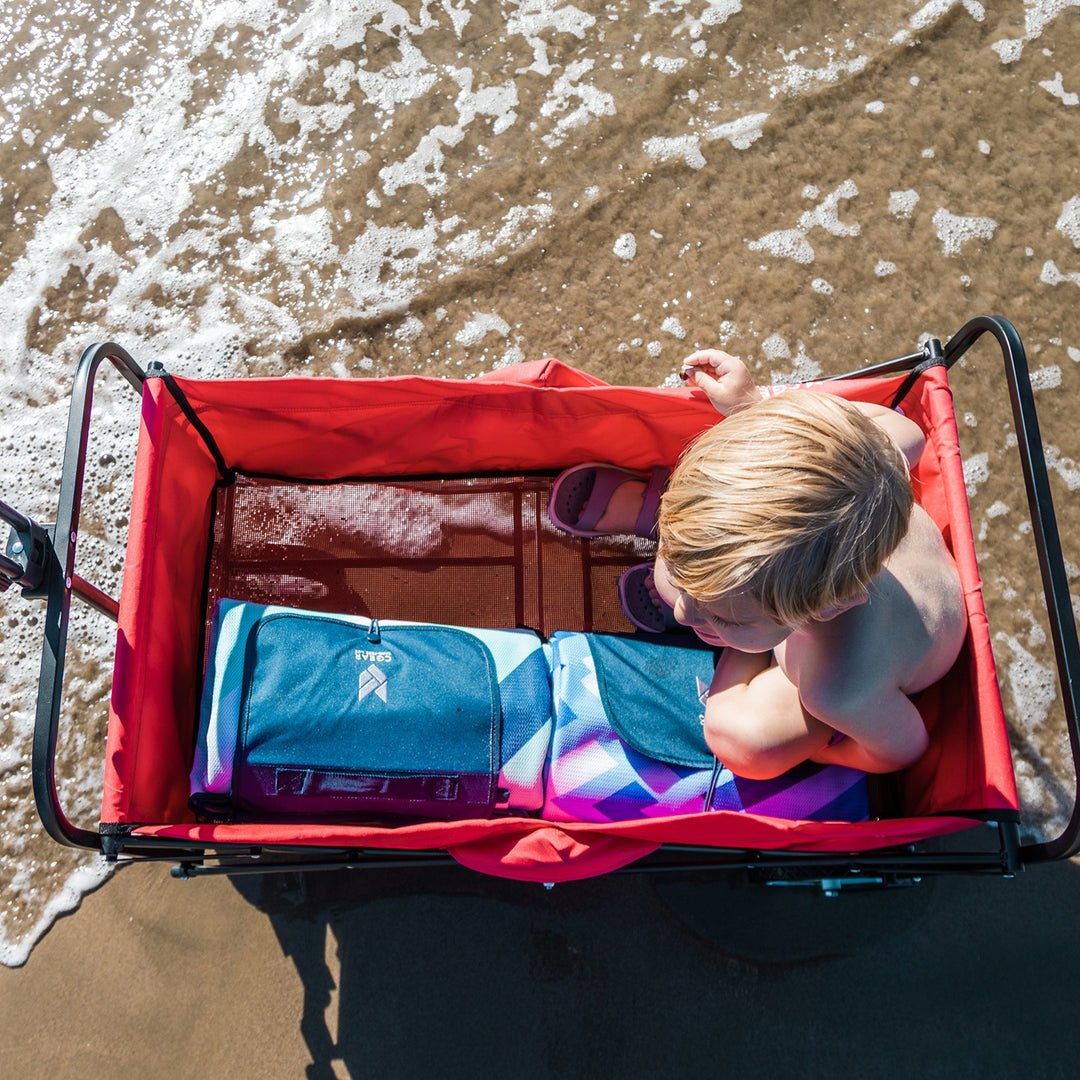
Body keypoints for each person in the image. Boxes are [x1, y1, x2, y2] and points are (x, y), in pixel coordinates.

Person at [548, 350, 967, 780]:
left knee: (742, 741)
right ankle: (720, 590)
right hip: (788, 603)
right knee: (680, 575)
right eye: (700, 598)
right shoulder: (881, 460)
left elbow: (902, 749)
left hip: (848, 660)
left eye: (718, 613)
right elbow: (907, 432)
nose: (681, 610)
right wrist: (752, 409)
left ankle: (726, 610)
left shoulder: (838, 687)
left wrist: (829, 752)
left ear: (828, 607)